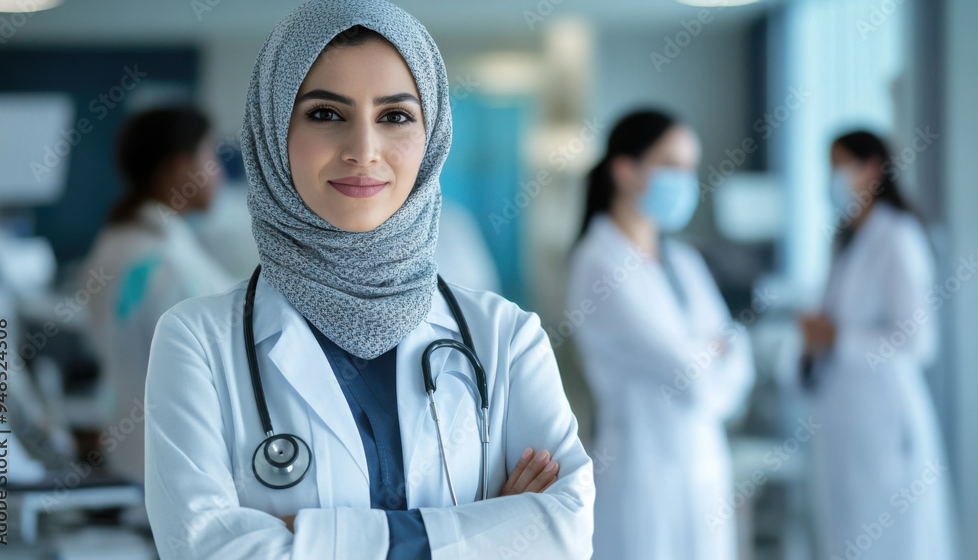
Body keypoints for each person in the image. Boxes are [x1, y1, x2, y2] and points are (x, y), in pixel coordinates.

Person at [143, 2, 594, 559]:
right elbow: (204, 550)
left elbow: (562, 534)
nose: (362, 150)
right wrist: (476, 529)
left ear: (433, 137)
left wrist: (304, 536)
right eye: (326, 114)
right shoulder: (196, 342)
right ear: (271, 128)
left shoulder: (506, 336)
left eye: (396, 116)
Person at [568, 109, 754, 560]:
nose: (685, 180)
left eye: (691, 167)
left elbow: (738, 360)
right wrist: (713, 351)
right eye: (672, 165)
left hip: (703, 464)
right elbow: (690, 376)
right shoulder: (599, 263)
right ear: (625, 170)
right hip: (642, 470)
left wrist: (709, 355)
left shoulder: (683, 260)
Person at [800, 130, 954, 560]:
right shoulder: (847, 237)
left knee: (891, 541)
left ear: (872, 169)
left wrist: (838, 337)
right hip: (846, 421)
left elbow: (920, 342)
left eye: (840, 167)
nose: (831, 178)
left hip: (887, 421)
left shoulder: (898, 236)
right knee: (848, 536)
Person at [82, 106, 235, 483]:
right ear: (180, 169)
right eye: (210, 155)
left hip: (135, 453)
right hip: (173, 465)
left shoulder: (119, 240)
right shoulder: (164, 262)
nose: (219, 172)